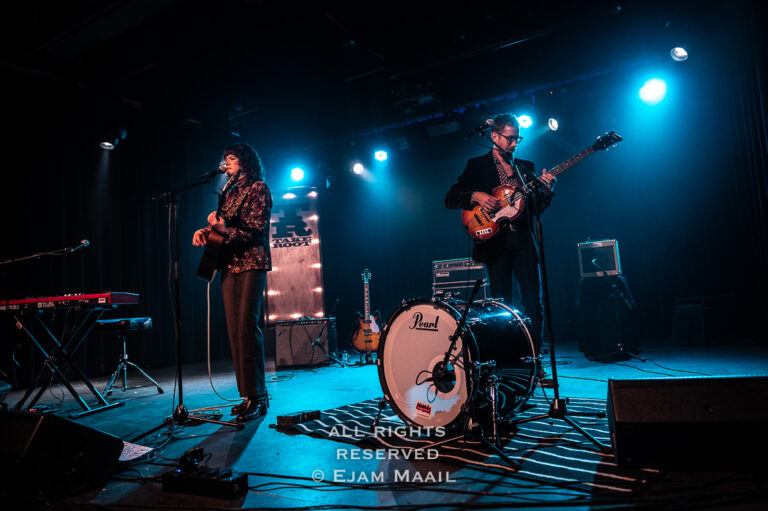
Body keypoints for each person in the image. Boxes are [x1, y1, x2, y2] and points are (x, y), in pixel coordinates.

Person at [445, 114, 556, 381]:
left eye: (517, 139)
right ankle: (507, 360)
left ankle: (534, 359)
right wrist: (476, 195)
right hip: (495, 242)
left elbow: (536, 208)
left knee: (533, 302)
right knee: (501, 304)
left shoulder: (524, 168)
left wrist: (548, 191)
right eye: (510, 138)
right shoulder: (477, 165)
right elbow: (450, 198)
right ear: (494, 137)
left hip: (523, 243)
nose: (514, 144)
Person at [193, 143, 272, 421]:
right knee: (234, 330)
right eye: (225, 158)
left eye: (233, 158)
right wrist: (206, 231)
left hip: (252, 261)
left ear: (246, 162)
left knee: (247, 326)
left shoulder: (258, 188)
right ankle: (247, 394)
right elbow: (225, 225)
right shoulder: (228, 192)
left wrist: (225, 230)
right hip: (229, 264)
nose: (227, 163)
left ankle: (259, 396)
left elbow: (255, 229)